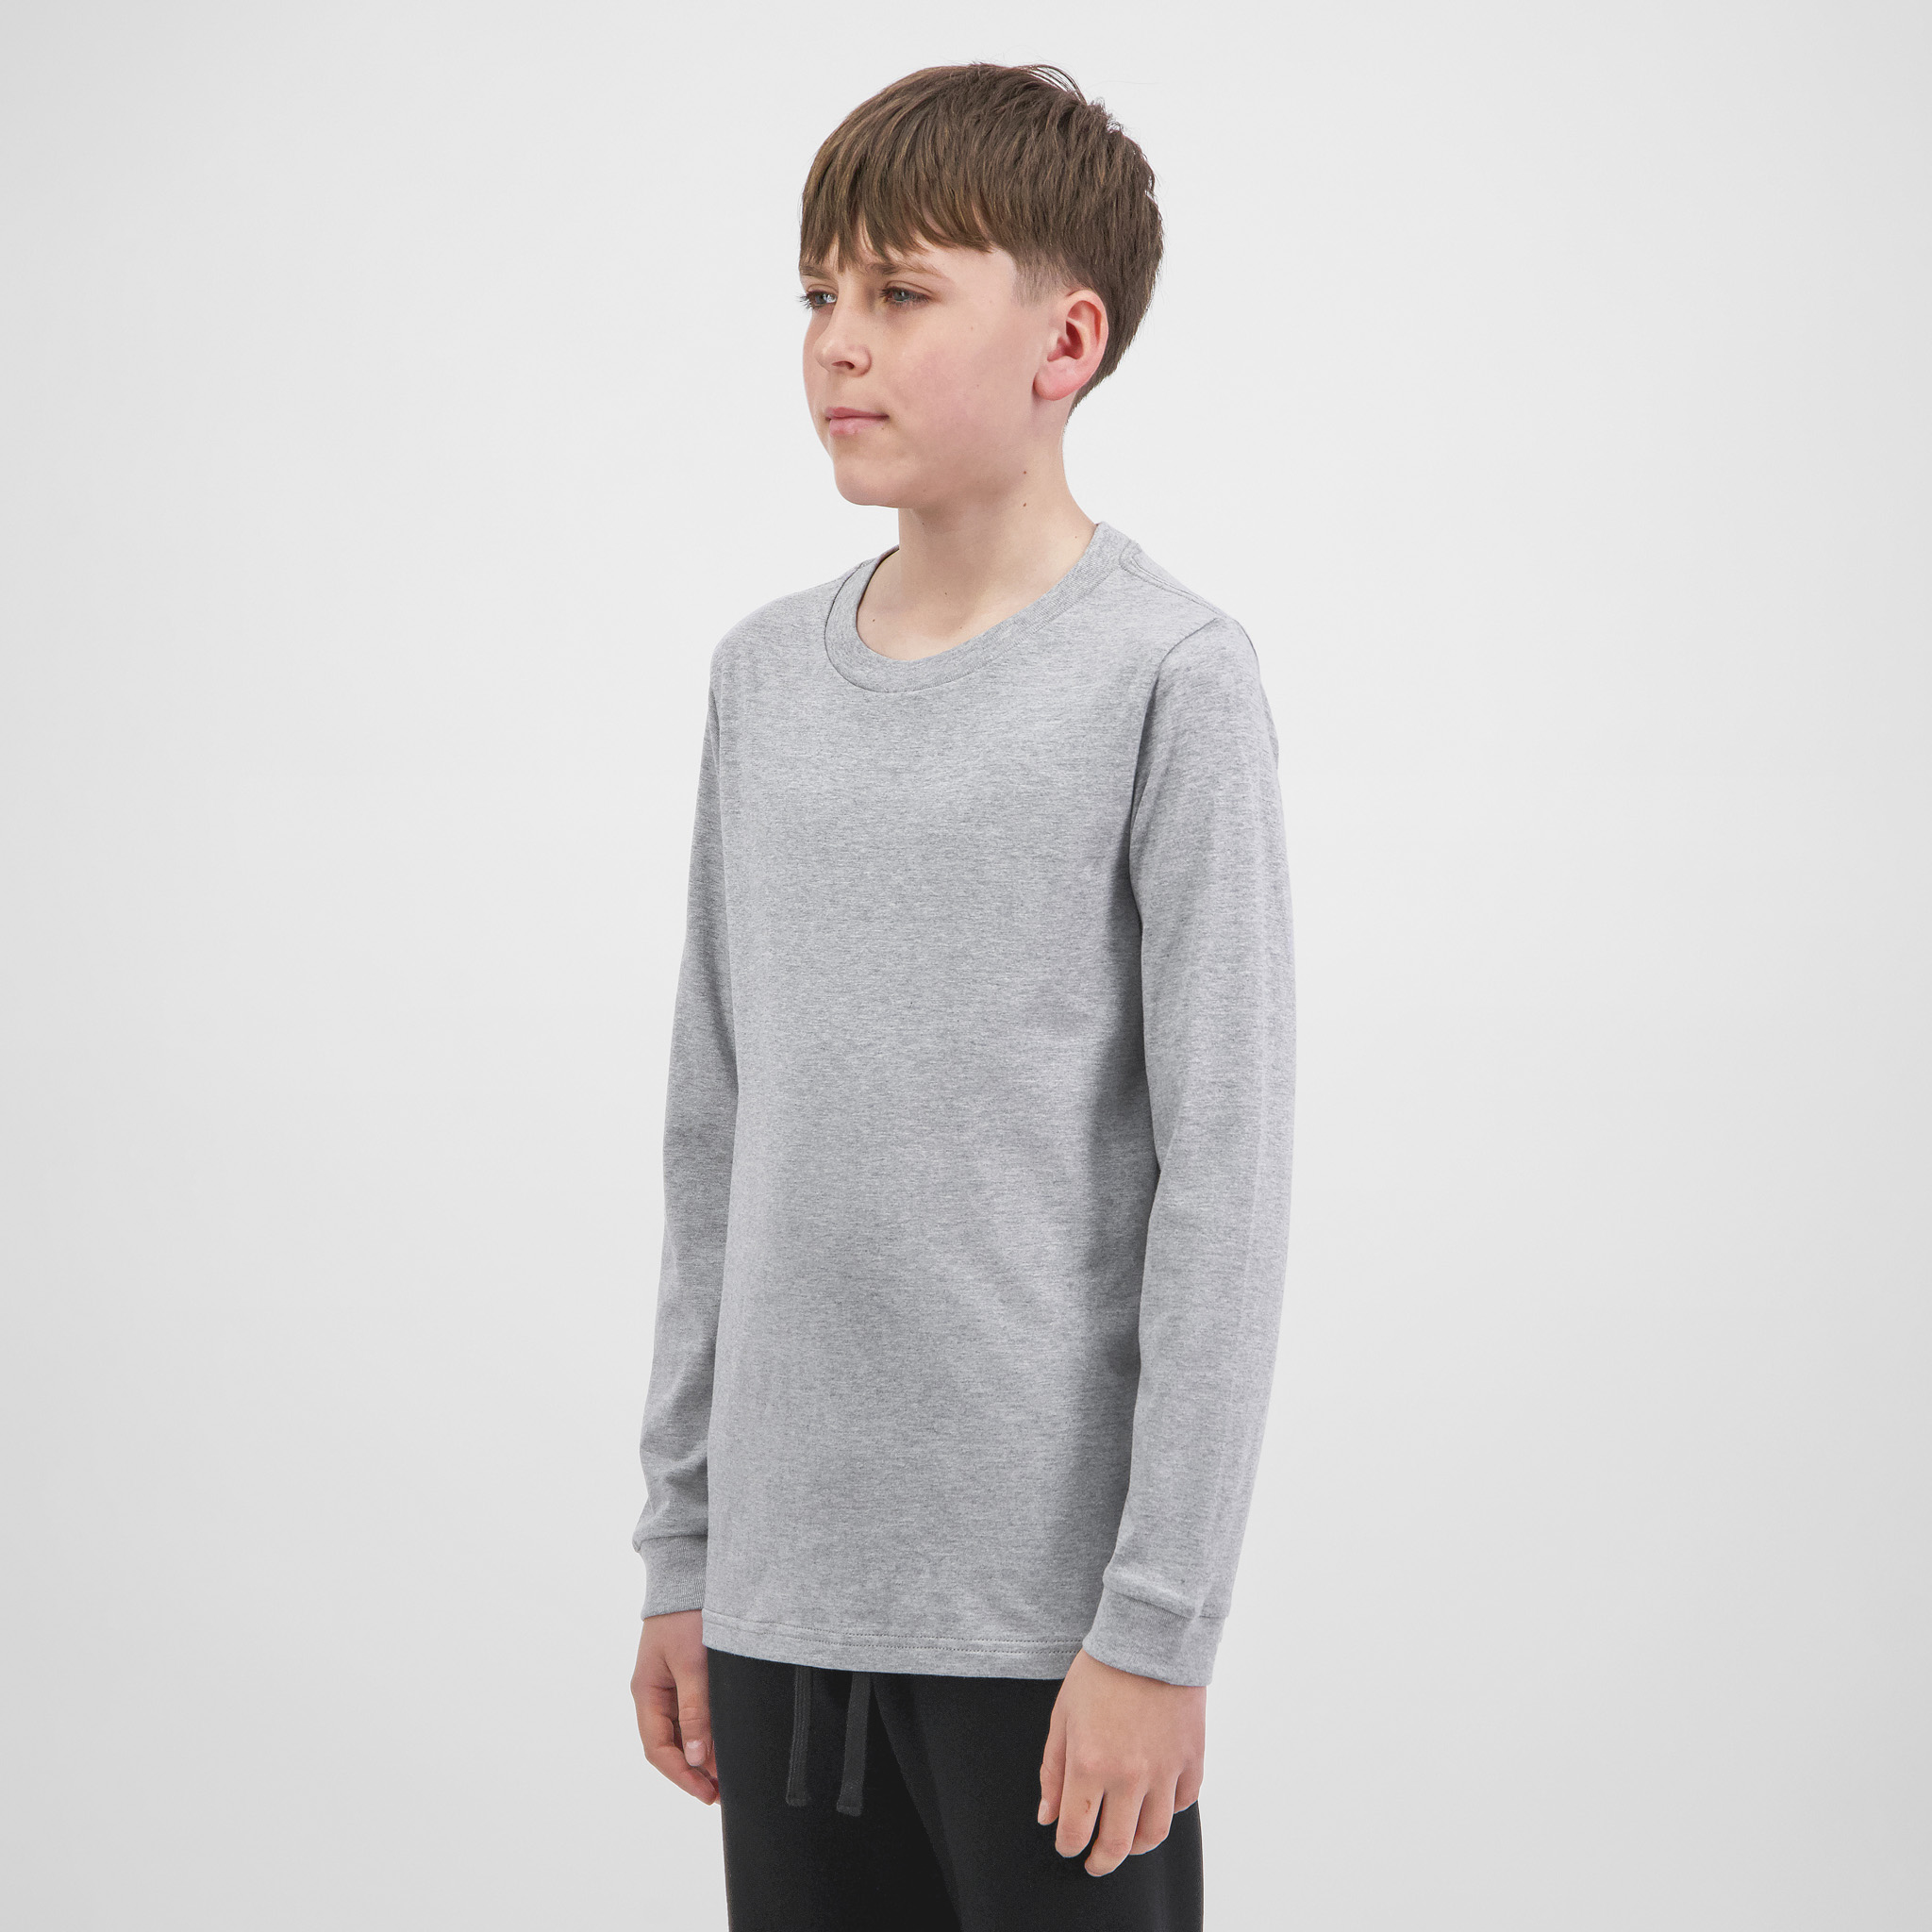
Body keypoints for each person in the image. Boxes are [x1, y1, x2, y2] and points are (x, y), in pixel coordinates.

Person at [628, 61, 1295, 1931]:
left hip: (1051, 1637)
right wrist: (685, 1545)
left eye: (903, 293)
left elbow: (1225, 1184)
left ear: (1066, 341)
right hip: (778, 1616)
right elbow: (714, 1133)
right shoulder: (763, 680)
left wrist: (1157, 1627)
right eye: (819, 294)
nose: (838, 342)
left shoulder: (1169, 678)